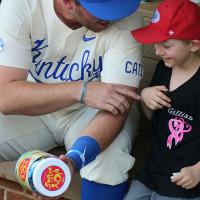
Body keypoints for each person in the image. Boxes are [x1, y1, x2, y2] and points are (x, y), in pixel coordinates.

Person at [0, 0, 144, 199]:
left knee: (109, 159)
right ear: (68, 2)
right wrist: (81, 90)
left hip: (93, 112)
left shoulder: (126, 17)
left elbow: (118, 105)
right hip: (35, 107)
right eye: (101, 10)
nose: (113, 15)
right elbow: (6, 97)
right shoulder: (21, 5)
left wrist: (74, 160)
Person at [124, 0, 200, 199]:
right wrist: (146, 98)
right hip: (154, 168)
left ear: (193, 45)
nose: (157, 51)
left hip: (185, 178)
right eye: (155, 42)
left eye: (166, 45)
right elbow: (154, 119)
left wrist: (199, 170)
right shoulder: (163, 68)